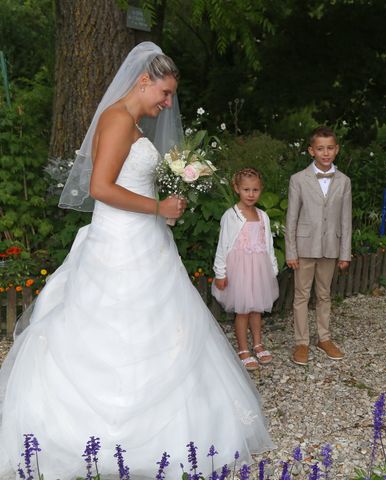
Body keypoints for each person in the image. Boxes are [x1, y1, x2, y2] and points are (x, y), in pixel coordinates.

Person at [0, 42, 273, 479]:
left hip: (148, 241)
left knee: (166, 329)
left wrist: (165, 203)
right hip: (117, 244)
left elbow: (132, 183)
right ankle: (97, 441)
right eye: (163, 93)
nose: (167, 103)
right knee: (113, 331)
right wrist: (156, 209)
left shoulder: (133, 124)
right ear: (143, 80)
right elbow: (101, 187)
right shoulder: (115, 119)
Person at [285, 126, 352, 366]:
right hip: (304, 248)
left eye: (330, 148)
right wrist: (291, 251)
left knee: (324, 294)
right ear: (311, 151)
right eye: (320, 148)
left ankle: (324, 338)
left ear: (337, 150)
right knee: (301, 295)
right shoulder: (298, 180)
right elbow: (291, 218)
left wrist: (345, 252)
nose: (326, 153)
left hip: (330, 248)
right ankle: (301, 342)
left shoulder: (344, 182)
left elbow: (346, 219)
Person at [212, 168, 279, 371]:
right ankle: (243, 349)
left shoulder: (263, 216)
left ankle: (258, 343)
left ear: (261, 190)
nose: (251, 194)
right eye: (246, 189)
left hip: (259, 270)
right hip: (239, 270)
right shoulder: (231, 216)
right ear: (237, 189)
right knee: (242, 310)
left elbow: (268, 245)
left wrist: (272, 269)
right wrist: (220, 272)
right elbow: (223, 246)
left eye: (255, 190)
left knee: (256, 309)